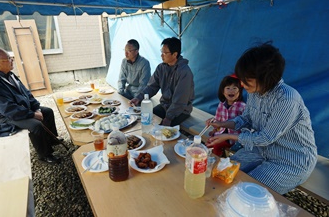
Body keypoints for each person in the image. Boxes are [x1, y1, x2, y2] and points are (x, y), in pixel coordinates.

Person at [206, 42, 317, 194]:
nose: (242, 85)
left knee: (245, 192)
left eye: (246, 80)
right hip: (260, 150)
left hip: (289, 161)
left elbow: (266, 137)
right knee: (221, 173)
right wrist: (222, 123)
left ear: (266, 77)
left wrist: (228, 135)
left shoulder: (287, 99)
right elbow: (246, 119)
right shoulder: (255, 91)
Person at [0, 47, 63, 164]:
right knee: (35, 125)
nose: (12, 60)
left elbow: (26, 93)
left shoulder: (8, 74)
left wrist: (36, 108)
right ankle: (45, 154)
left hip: (18, 110)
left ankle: (51, 139)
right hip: (1, 117)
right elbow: (8, 109)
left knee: (47, 111)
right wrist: (33, 114)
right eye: (8, 58)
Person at [130, 37, 194, 126]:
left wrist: (168, 117)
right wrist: (138, 98)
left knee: (164, 129)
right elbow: (151, 86)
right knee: (147, 119)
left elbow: (180, 100)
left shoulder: (184, 72)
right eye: (161, 52)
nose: (161, 55)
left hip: (181, 110)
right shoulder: (161, 67)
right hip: (165, 106)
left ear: (175, 54)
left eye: (165, 53)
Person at [205, 74, 246, 157]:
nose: (231, 91)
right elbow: (217, 120)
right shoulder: (221, 105)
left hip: (234, 139)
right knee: (209, 143)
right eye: (228, 88)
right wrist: (214, 129)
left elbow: (245, 125)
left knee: (216, 145)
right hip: (221, 132)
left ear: (239, 91)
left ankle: (216, 160)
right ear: (223, 92)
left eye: (235, 88)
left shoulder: (242, 106)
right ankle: (207, 158)